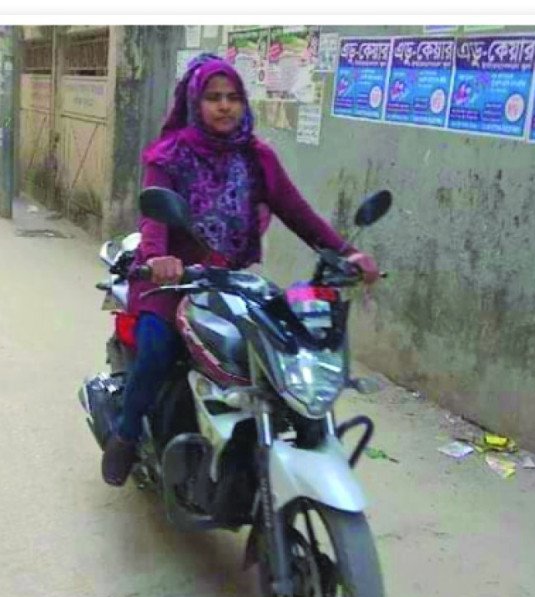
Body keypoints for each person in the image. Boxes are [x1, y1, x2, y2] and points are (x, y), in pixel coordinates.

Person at [101, 54, 381, 486]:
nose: (225, 106)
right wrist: (158, 258)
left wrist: (345, 252)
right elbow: (153, 218)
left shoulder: (256, 156)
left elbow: (297, 212)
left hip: (231, 281)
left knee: (276, 349)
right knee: (157, 347)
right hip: (172, 279)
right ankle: (126, 431)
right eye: (213, 97)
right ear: (195, 102)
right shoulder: (169, 155)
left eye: (232, 97)